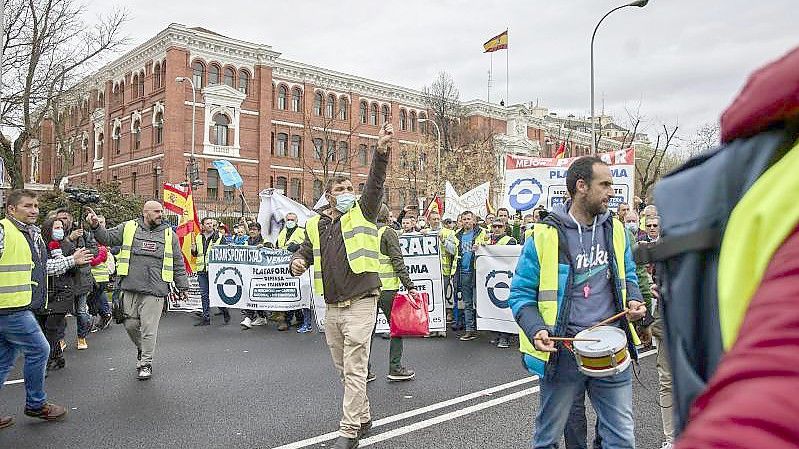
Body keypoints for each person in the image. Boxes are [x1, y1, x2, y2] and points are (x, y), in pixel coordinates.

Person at [507, 157, 647, 448]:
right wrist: (536, 329)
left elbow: (628, 275)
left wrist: (633, 299)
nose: (612, 192)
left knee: (622, 439)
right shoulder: (544, 235)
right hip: (563, 353)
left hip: (612, 348)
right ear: (581, 186)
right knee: (547, 439)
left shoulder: (617, 230)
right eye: (605, 184)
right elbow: (520, 294)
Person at [290, 123, 392, 449]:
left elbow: (375, 184)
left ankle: (349, 431)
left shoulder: (363, 212)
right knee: (343, 368)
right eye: (341, 189)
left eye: (350, 187)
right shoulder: (315, 223)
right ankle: (363, 417)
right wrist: (299, 261)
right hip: (332, 305)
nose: (348, 191)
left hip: (362, 301)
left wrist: (380, 153)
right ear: (330, 195)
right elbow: (307, 250)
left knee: (356, 364)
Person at [0, 191, 92, 425]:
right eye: (28, 206)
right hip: (12, 309)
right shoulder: (3, 231)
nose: (34, 210)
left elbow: (43, 269)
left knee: (4, 361)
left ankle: (35, 403)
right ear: (11, 209)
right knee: (40, 349)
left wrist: (72, 260)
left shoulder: (33, 235)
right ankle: (36, 404)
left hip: (16, 307)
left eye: (36, 206)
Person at [89, 201, 190, 380]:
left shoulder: (169, 234)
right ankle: (142, 349)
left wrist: (182, 286)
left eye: (161, 211)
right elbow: (107, 238)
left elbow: (177, 261)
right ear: (146, 212)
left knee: (149, 329)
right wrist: (96, 225)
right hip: (130, 286)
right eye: (157, 211)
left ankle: (146, 363)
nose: (161, 214)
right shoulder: (128, 227)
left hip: (156, 290)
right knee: (130, 325)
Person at [369, 204, 418, 382]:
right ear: (387, 217)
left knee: (367, 331)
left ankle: (364, 371)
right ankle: (395, 368)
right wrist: (410, 285)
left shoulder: (364, 233)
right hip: (388, 289)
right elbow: (398, 262)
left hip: (368, 288)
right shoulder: (388, 233)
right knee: (396, 329)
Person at [55, 208, 98, 350]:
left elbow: (94, 250)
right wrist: (69, 239)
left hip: (81, 278)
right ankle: (60, 339)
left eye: (65, 218)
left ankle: (81, 337)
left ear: (71, 219)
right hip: (63, 279)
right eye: (59, 218)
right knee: (60, 312)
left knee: (81, 311)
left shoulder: (84, 234)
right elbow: (56, 253)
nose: (62, 221)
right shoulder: (56, 234)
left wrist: (81, 254)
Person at [450, 210, 489, 341]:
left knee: (482, 301)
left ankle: (487, 328)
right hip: (462, 272)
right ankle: (469, 330)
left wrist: (482, 246)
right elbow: (453, 251)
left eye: (468, 219)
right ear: (461, 221)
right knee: (467, 303)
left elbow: (489, 245)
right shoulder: (457, 235)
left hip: (478, 271)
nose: (466, 221)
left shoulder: (481, 232)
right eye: (464, 219)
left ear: (474, 220)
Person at [487, 219, 517, 349]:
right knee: (494, 307)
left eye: (500, 226)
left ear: (504, 228)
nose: (497, 229)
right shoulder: (487, 241)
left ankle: (505, 336)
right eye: (494, 226)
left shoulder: (510, 240)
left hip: (505, 278)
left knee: (505, 307)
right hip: (492, 278)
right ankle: (497, 333)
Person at [277, 213, 310, 332]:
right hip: (284, 267)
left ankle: (301, 319)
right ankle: (289, 319)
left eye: (292, 219)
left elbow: (307, 245)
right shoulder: (282, 232)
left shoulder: (301, 231)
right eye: (288, 219)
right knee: (288, 293)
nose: (290, 221)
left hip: (298, 266)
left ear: (296, 221)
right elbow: (278, 246)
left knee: (299, 293)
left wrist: (297, 247)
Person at [192, 217, 227, 326]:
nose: (210, 225)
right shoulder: (198, 237)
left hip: (214, 270)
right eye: (207, 223)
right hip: (202, 270)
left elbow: (225, 253)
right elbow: (196, 253)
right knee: (204, 294)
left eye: (211, 223)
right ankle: (206, 318)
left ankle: (224, 311)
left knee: (216, 293)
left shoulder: (219, 237)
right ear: (202, 226)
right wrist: (193, 249)